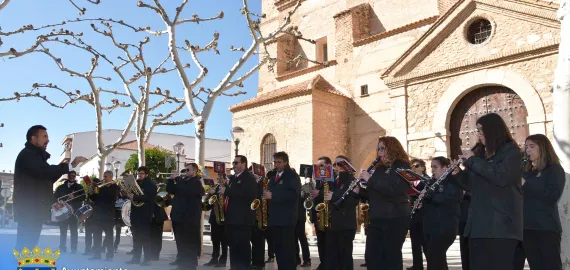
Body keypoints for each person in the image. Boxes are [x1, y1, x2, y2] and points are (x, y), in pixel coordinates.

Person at [453, 113, 523, 270]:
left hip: (501, 228)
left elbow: (500, 176)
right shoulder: (480, 155)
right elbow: (472, 185)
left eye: (481, 130)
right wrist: (458, 174)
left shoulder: (511, 152)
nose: (479, 134)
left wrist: (472, 161)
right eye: (477, 130)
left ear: (493, 130)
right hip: (478, 227)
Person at [13, 125, 86, 250]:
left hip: (34, 210)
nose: (48, 140)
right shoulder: (28, 155)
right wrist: (69, 165)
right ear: (34, 138)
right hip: (29, 210)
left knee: (29, 247)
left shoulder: (35, 156)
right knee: (25, 247)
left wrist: (68, 166)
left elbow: (47, 177)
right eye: (45, 136)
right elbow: (45, 172)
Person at [358, 136, 412, 269]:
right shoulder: (379, 169)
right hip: (378, 218)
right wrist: (358, 190)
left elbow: (393, 189)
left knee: (391, 257)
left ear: (392, 149)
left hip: (395, 218)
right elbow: (373, 193)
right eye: (378, 149)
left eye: (383, 149)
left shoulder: (402, 166)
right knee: (372, 257)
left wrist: (370, 179)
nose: (379, 152)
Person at [520, 134, 564, 269]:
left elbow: (552, 195)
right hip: (527, 229)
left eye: (532, 146)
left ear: (543, 148)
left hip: (546, 229)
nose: (528, 150)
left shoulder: (554, 169)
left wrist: (526, 184)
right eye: (526, 147)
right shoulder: (525, 171)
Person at [421, 157, 462, 270]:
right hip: (430, 225)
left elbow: (450, 198)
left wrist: (429, 195)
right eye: (431, 167)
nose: (432, 170)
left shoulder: (453, 181)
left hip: (444, 227)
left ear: (445, 168)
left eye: (435, 167)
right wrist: (421, 202)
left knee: (435, 259)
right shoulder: (432, 182)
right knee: (435, 259)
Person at [218, 155, 257, 270]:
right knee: (233, 246)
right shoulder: (233, 178)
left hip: (243, 219)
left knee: (242, 247)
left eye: (236, 163)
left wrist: (227, 190)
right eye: (233, 163)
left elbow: (249, 195)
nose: (233, 165)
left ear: (243, 164)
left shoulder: (249, 178)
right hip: (232, 218)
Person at [265, 151, 301, 270]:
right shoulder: (273, 176)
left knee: (288, 250)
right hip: (274, 218)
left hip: (287, 219)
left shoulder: (292, 176)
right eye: (275, 162)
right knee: (278, 249)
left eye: (279, 162)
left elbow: (293, 195)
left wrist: (273, 195)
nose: (276, 165)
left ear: (285, 162)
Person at [324, 155, 359, 270]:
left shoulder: (352, 180)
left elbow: (352, 201)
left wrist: (334, 196)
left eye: (339, 164)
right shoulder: (333, 180)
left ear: (347, 166)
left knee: (345, 258)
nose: (336, 167)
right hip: (333, 224)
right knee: (333, 258)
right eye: (335, 164)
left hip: (346, 224)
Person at [167, 163, 204, 270]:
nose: (186, 172)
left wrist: (178, 178)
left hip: (189, 218)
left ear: (195, 171)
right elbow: (171, 190)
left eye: (188, 170)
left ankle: (191, 264)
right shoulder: (183, 181)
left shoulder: (196, 182)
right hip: (178, 216)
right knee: (180, 241)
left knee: (190, 242)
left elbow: (188, 191)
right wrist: (170, 179)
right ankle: (182, 261)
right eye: (185, 170)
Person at [126, 166, 158, 266]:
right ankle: (136, 258)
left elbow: (150, 197)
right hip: (135, 213)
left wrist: (135, 196)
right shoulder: (137, 183)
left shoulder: (151, 184)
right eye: (138, 173)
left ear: (147, 174)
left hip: (145, 213)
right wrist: (126, 192)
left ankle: (147, 259)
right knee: (136, 237)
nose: (139, 175)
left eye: (142, 174)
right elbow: (130, 195)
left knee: (145, 237)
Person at [89, 171, 119, 261]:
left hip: (108, 215)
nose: (104, 178)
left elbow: (113, 197)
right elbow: (94, 199)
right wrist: (91, 192)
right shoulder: (99, 186)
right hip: (98, 214)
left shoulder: (116, 187)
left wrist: (104, 186)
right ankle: (96, 254)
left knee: (109, 236)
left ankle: (110, 255)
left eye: (105, 176)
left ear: (110, 177)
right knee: (97, 236)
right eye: (103, 176)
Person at [309, 156, 332, 270]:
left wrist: (320, 193)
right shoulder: (317, 180)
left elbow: (333, 193)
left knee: (328, 243)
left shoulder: (332, 178)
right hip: (318, 215)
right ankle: (323, 262)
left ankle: (327, 264)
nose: (319, 168)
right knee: (321, 242)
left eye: (321, 165)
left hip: (328, 215)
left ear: (328, 166)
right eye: (317, 166)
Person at [53, 170, 84, 253]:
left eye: (73, 176)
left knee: (74, 231)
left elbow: (83, 197)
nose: (72, 177)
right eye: (70, 175)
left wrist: (74, 196)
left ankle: (74, 249)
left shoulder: (79, 187)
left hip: (74, 212)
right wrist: (58, 203)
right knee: (63, 231)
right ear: (68, 176)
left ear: (75, 177)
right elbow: (55, 197)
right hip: (63, 211)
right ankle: (62, 247)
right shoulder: (61, 187)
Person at [408, 159, 428, 270]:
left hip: (424, 215)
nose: (414, 168)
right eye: (412, 166)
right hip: (414, 214)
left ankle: (431, 264)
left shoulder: (427, 180)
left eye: (416, 166)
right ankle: (417, 265)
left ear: (423, 168)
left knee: (424, 242)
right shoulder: (410, 181)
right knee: (414, 242)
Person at [150, 183, 168, 261]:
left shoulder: (159, 196)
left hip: (158, 218)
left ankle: (155, 254)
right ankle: (151, 253)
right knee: (151, 237)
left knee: (157, 238)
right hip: (151, 218)